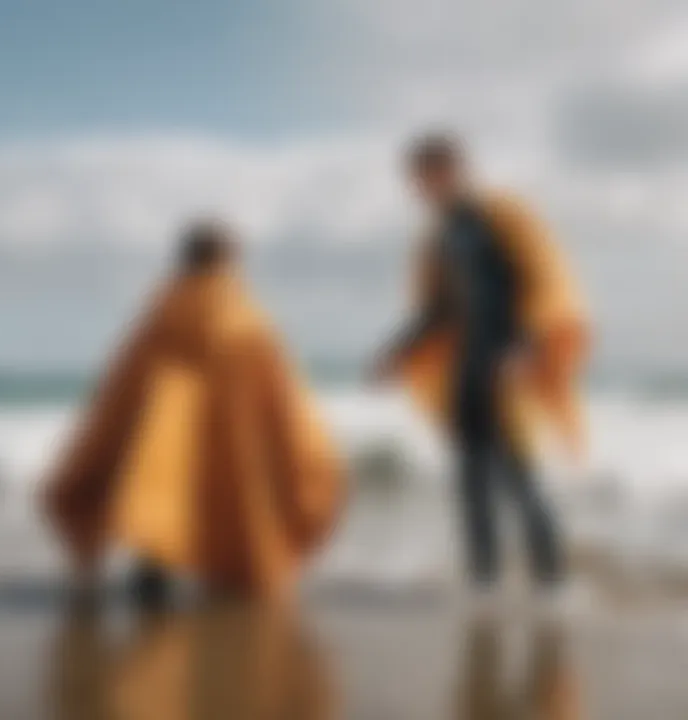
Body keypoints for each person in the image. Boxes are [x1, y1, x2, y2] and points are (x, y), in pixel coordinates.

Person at [43, 221, 344, 606]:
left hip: (164, 456)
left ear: (183, 260)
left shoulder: (159, 318)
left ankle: (153, 576)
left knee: (159, 492)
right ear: (229, 261)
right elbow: (282, 405)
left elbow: (119, 396)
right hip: (232, 450)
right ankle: (229, 575)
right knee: (240, 495)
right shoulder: (247, 322)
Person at [369, 133, 589, 599]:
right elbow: (438, 310)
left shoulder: (501, 214)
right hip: (469, 368)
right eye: (418, 181)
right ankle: (482, 586)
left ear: (455, 169)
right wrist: (395, 352)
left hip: (507, 363)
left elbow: (543, 277)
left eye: (430, 176)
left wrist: (527, 345)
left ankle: (554, 588)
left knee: (519, 476)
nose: (424, 189)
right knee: (469, 480)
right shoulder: (441, 236)